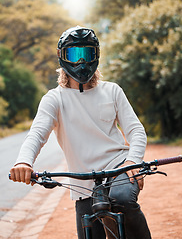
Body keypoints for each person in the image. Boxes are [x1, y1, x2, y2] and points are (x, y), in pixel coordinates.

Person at [10, 26, 151, 239]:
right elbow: (37, 134)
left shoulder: (112, 90)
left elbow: (136, 130)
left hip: (119, 168)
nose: (81, 62)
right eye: (74, 55)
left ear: (96, 55)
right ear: (62, 57)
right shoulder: (54, 99)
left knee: (122, 199)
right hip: (82, 183)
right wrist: (24, 162)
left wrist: (133, 160)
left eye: (87, 54)